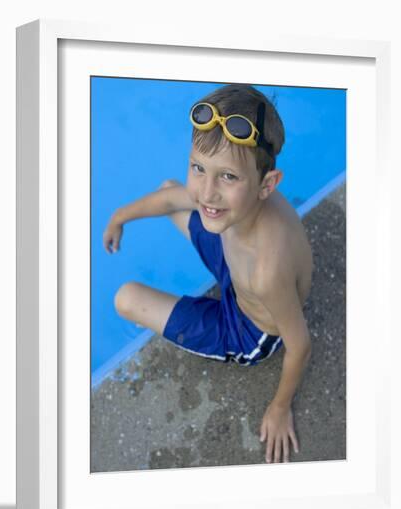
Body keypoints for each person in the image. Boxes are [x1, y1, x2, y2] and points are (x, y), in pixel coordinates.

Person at [103, 84, 313, 464]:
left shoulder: (266, 271)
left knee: (126, 299)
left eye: (228, 177)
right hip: (237, 263)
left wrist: (280, 408)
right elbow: (173, 197)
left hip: (247, 329)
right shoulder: (239, 204)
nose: (208, 191)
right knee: (171, 191)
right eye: (199, 168)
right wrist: (120, 216)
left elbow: (299, 344)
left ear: (268, 184)